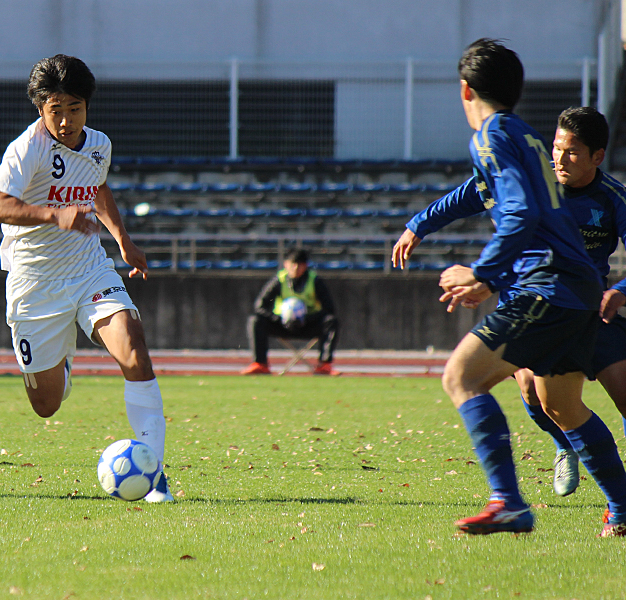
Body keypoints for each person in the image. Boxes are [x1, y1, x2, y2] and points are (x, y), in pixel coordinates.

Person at [391, 39, 626, 537]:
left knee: (461, 378)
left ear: (464, 89)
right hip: (579, 288)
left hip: (548, 286)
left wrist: (483, 274)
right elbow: (477, 194)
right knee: (561, 404)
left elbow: (519, 212)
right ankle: (624, 512)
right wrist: (420, 224)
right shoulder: (524, 136)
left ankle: (508, 502)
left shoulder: (493, 135)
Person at [0, 54, 172, 502]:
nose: (66, 121)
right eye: (56, 110)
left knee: (134, 350)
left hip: (89, 269)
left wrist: (123, 240)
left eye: (74, 108)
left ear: (87, 107)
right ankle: (61, 369)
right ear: (40, 109)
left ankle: (155, 476)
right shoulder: (25, 150)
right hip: (34, 282)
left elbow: (98, 186)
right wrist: (54, 214)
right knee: (46, 406)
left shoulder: (99, 144)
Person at [513, 108, 626, 499]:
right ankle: (565, 444)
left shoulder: (613, 198)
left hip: (592, 312)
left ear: (597, 156)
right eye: (556, 149)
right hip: (541, 308)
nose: (559, 160)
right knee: (530, 389)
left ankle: (619, 494)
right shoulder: (536, 184)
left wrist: (622, 288)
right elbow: (474, 193)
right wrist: (418, 225)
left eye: (572, 152)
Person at [241, 248, 339, 375]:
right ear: (286, 264)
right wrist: (277, 318)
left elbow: (329, 308)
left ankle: (324, 364)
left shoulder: (314, 281)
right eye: (293, 263)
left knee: (331, 322)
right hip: (282, 325)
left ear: (306, 266)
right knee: (255, 321)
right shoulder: (279, 280)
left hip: (307, 324)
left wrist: (308, 318)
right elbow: (260, 306)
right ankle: (260, 363)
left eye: (300, 264)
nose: (296, 268)